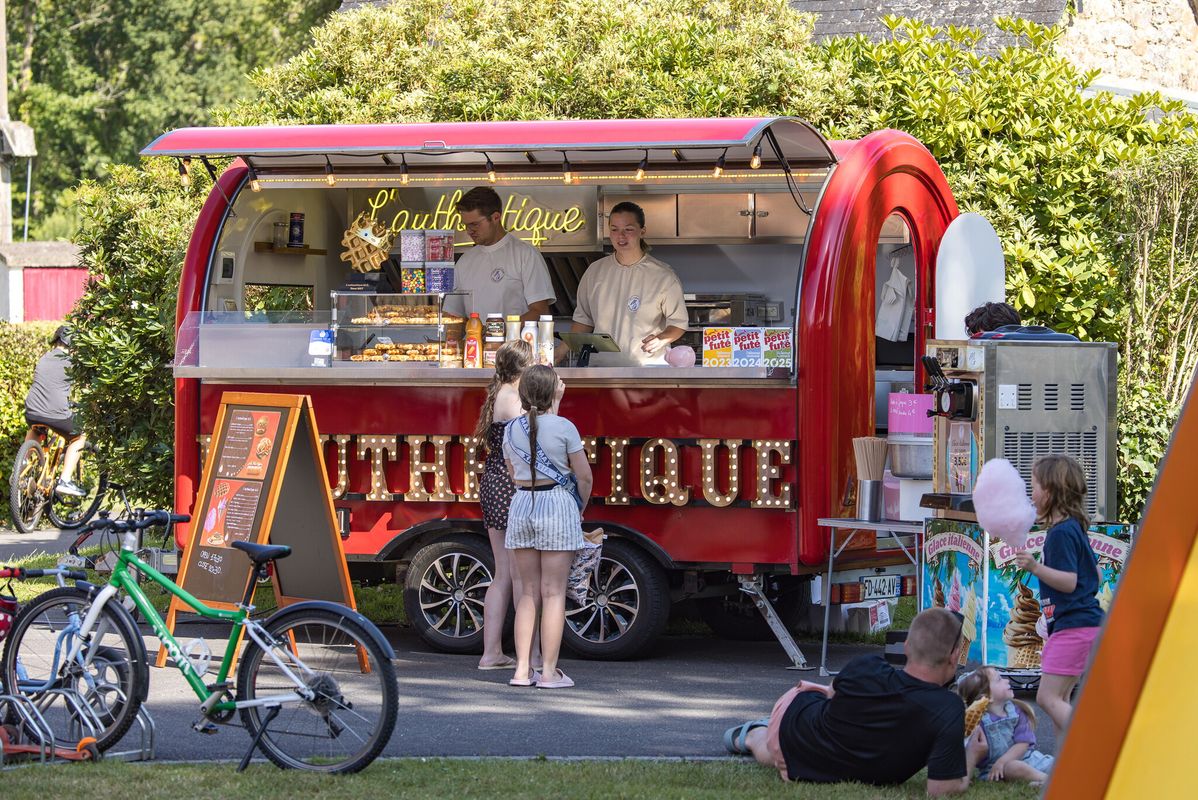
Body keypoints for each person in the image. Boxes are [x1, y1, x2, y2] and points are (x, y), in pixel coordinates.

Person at [725, 607, 987, 795]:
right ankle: (752, 733)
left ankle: (758, 731)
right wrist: (971, 755)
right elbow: (942, 789)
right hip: (799, 721)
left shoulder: (868, 667)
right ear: (954, 657)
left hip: (805, 741)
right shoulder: (947, 708)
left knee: (794, 729)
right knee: (778, 736)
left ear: (906, 646)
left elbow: (833, 694)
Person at [502, 365, 593, 689]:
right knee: (553, 593)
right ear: (553, 390)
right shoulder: (564, 427)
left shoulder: (510, 429)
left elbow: (513, 474)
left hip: (522, 503)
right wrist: (579, 506)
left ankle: (522, 669)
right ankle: (550, 672)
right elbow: (583, 475)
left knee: (527, 592)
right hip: (556, 503)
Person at [1015, 454, 1103, 735]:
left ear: (1050, 492)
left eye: (1035, 485)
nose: (1032, 492)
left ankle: (1092, 745)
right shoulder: (1075, 529)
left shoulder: (1060, 534)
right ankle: (1063, 768)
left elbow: (1068, 582)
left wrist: (1035, 566)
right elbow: (1096, 576)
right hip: (1086, 625)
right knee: (1062, 698)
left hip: (1072, 627)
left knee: (1047, 697)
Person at [473, 339, 539, 670]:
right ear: (522, 369)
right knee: (518, 575)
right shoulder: (513, 398)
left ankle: (493, 652)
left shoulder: (499, 395)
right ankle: (528, 655)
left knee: (504, 574)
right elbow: (530, 440)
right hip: (509, 487)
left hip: (494, 483)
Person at [571, 201, 688, 366]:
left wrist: (661, 339)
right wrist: (560, 352)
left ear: (642, 231)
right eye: (614, 229)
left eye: (628, 229)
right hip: (601, 369)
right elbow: (584, 320)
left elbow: (678, 323)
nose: (621, 236)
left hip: (648, 370)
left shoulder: (663, 276)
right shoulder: (594, 272)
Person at [446, 186, 555, 321]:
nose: (469, 231)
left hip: (516, 341)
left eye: (475, 224)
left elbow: (540, 312)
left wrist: (499, 330)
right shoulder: (464, 261)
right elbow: (453, 316)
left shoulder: (525, 254)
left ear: (496, 217)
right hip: (475, 342)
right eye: (466, 225)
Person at [956, 666, 1054, 783]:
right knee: (1014, 768)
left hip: (1029, 758)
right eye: (999, 679)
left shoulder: (1016, 712)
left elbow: (1023, 744)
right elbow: (964, 751)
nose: (1007, 680)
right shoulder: (977, 723)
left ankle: (1042, 780)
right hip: (996, 769)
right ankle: (1049, 781)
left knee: (1059, 763)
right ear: (987, 697)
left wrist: (1001, 761)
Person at [24, 325, 87, 497]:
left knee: (36, 427)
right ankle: (65, 480)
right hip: (56, 412)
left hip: (32, 409)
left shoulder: (44, 358)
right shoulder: (74, 363)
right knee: (79, 436)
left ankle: (22, 467)